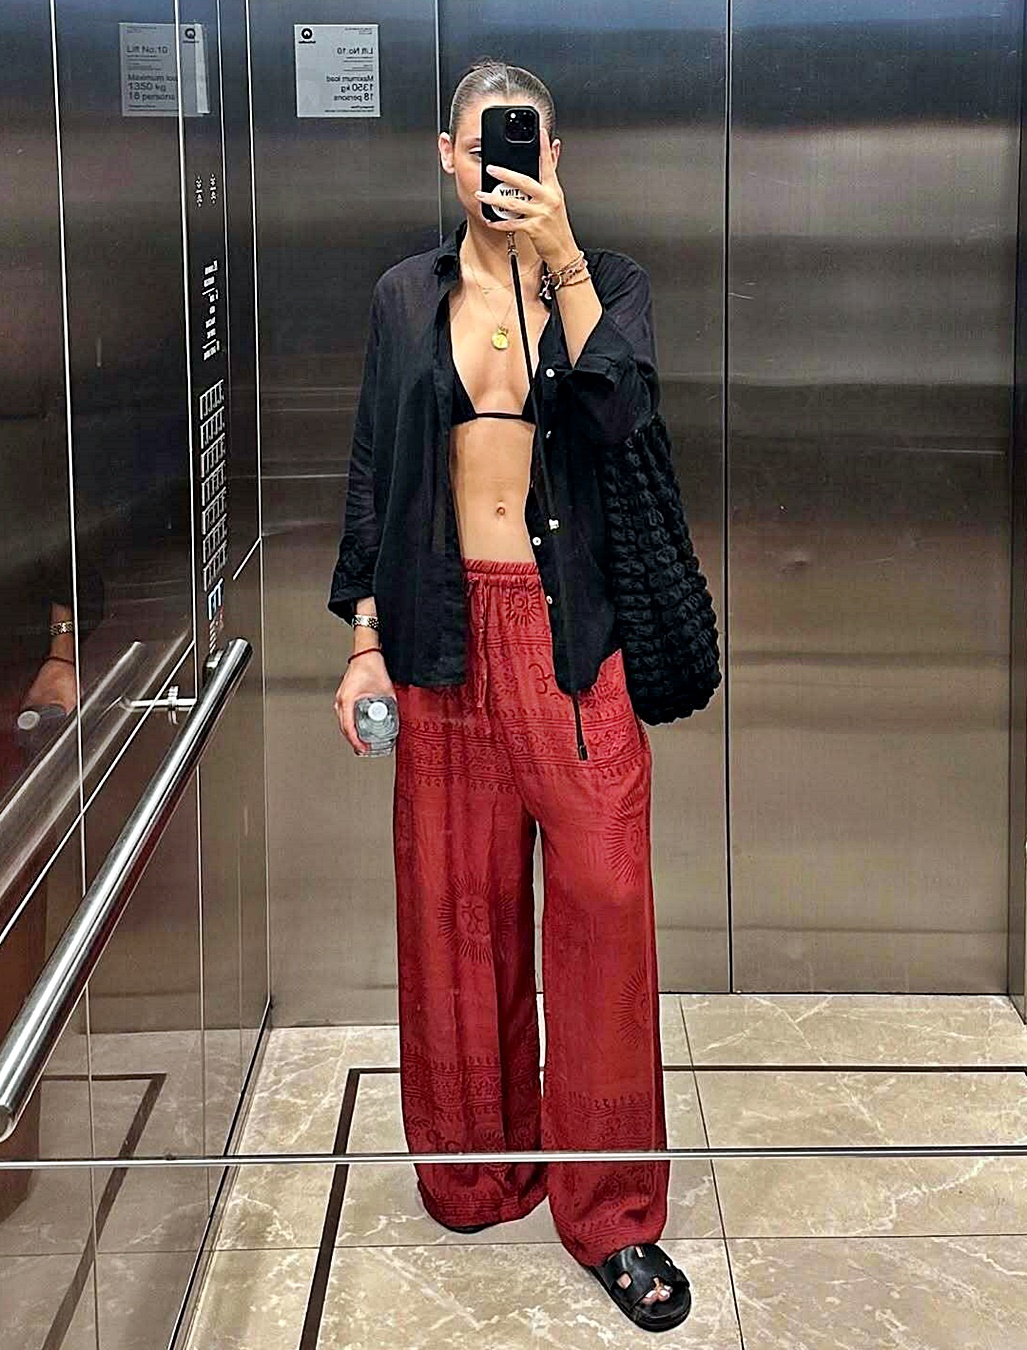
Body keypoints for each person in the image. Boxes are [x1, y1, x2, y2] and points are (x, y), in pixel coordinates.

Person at [329, 58, 691, 1333]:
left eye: (525, 143)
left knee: (603, 906)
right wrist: (364, 637)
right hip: (439, 630)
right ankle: (480, 1172)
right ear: (447, 154)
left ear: (555, 156)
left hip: (567, 635)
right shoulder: (404, 297)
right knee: (458, 912)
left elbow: (622, 413)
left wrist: (563, 258)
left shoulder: (607, 284)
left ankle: (612, 1213)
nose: (503, 166)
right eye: (485, 144)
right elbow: (374, 465)